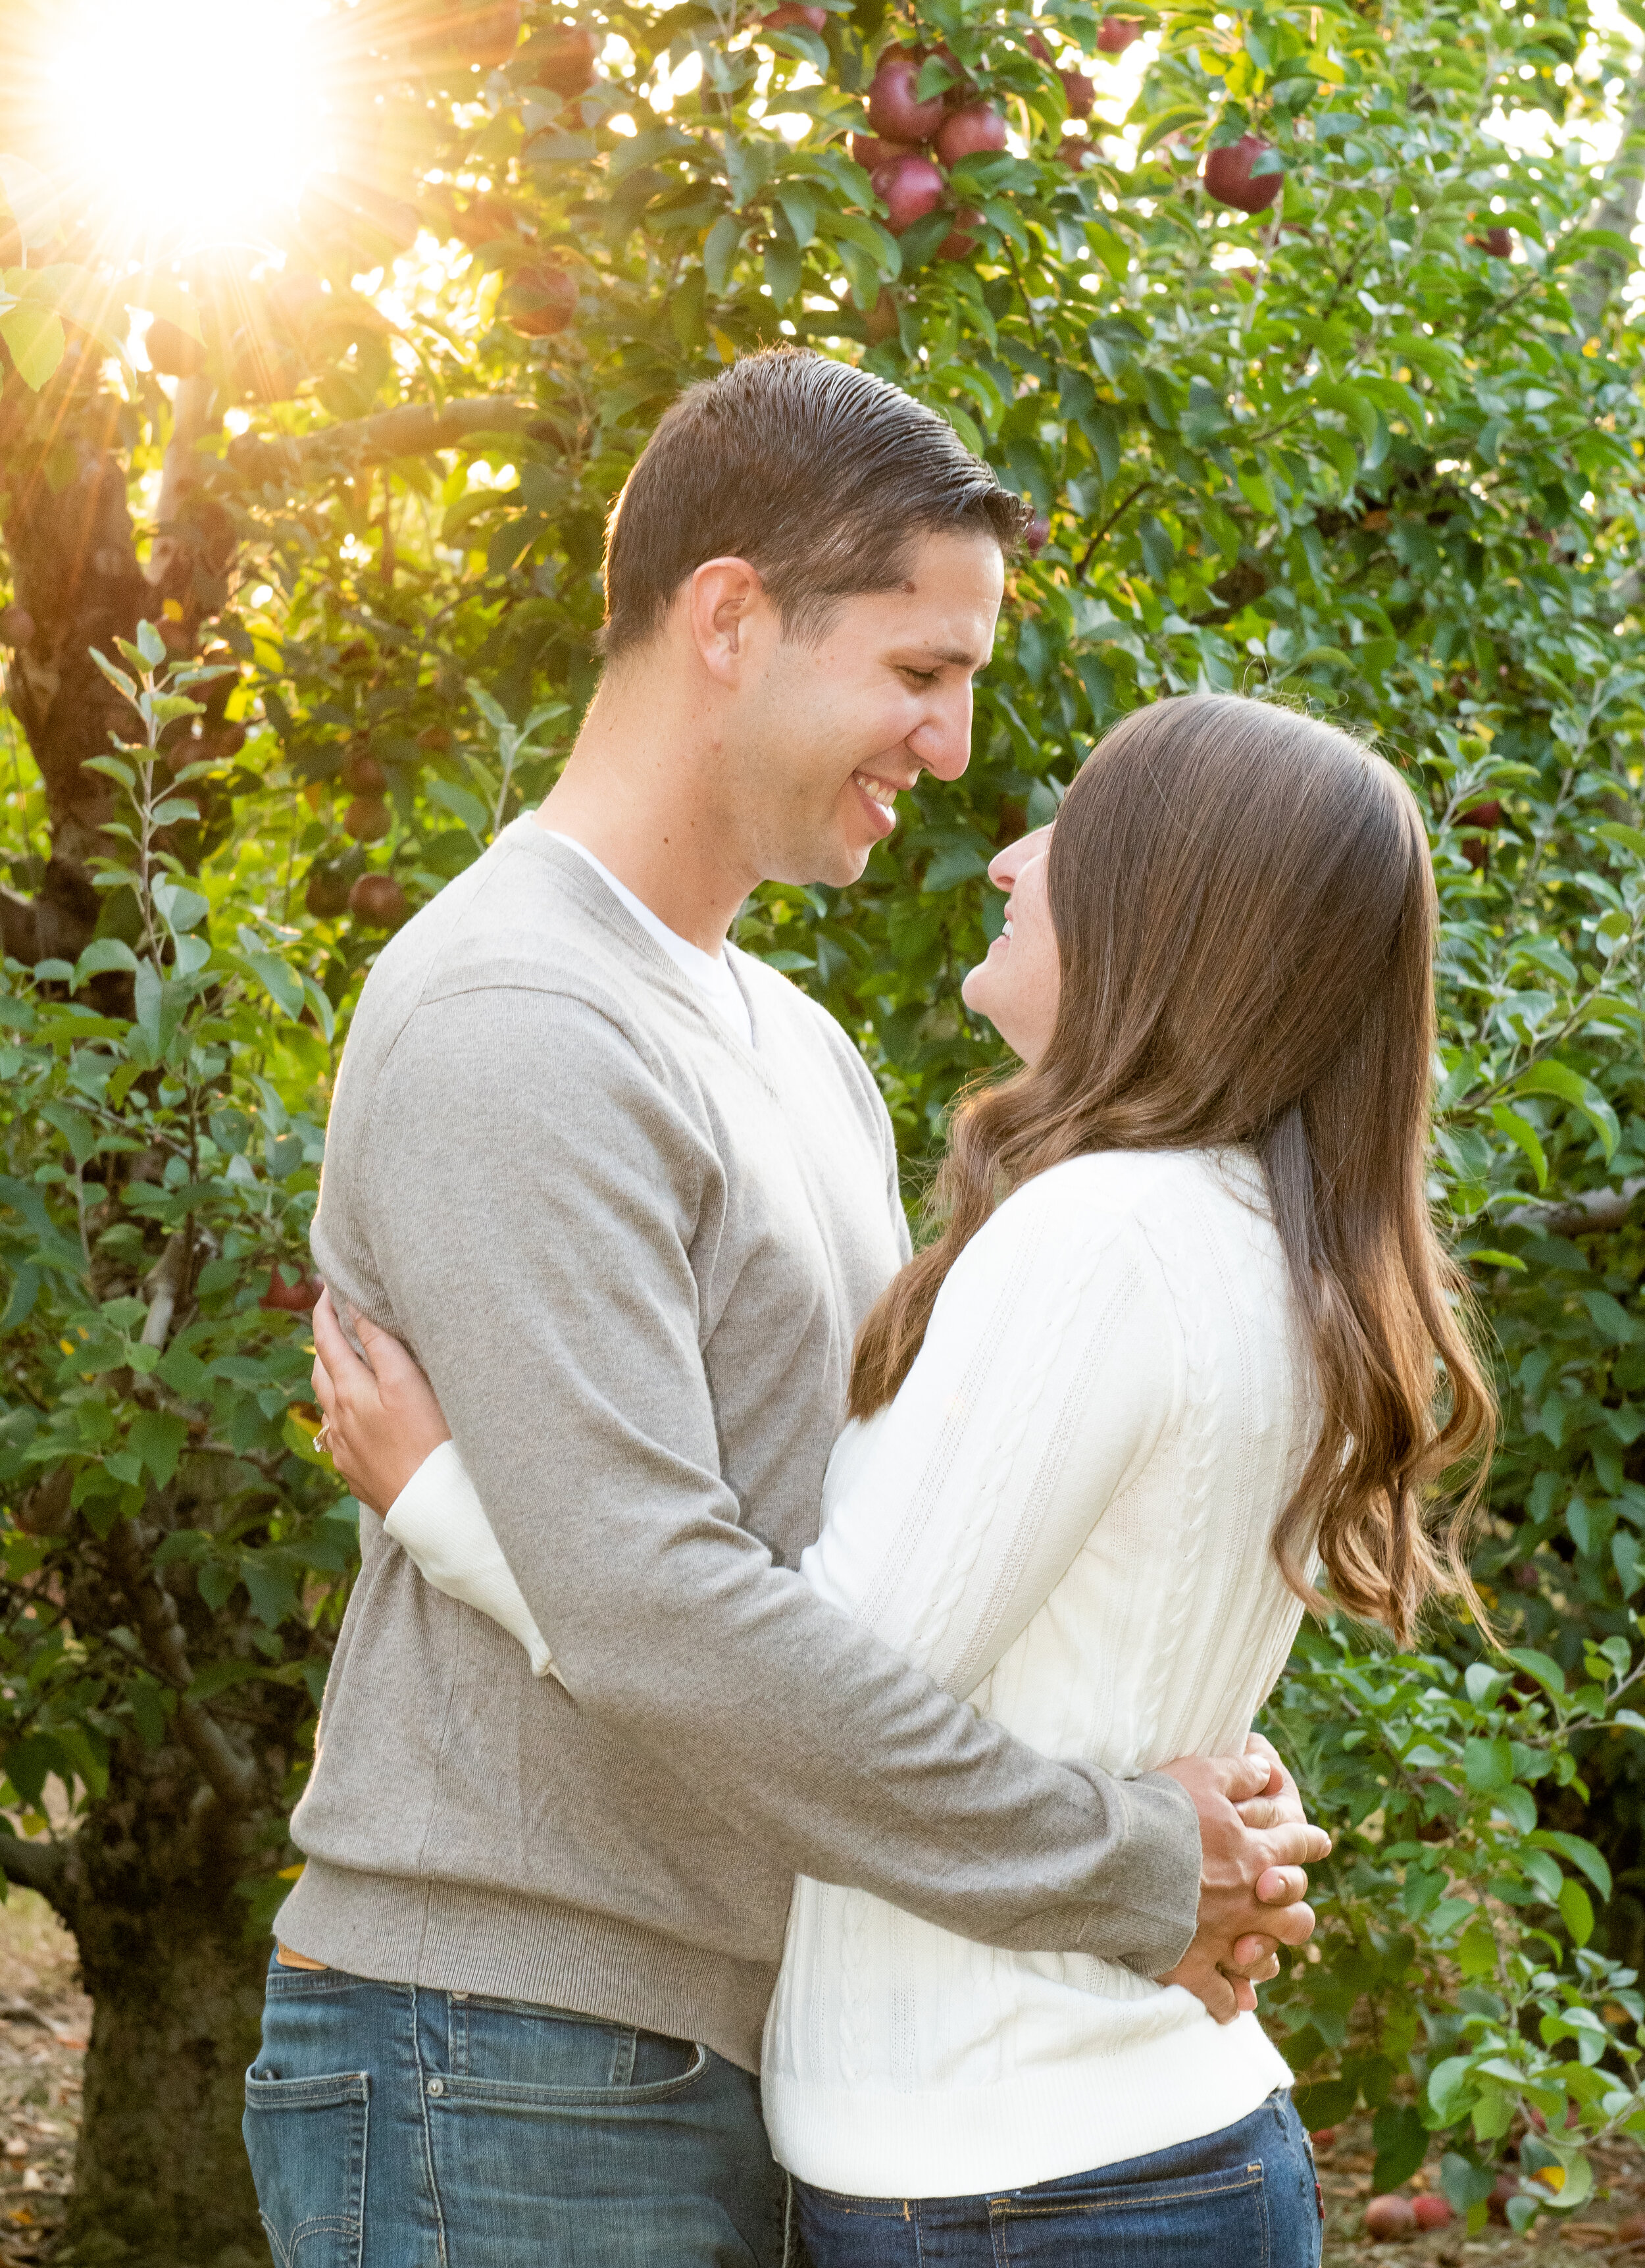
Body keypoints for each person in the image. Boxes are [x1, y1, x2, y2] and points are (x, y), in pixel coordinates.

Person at [246, 353, 1328, 2268]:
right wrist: (1126, 1858)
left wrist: (1167, 1738)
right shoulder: (519, 1019)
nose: (949, 746)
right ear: (730, 618)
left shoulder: (796, 1048)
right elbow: (655, 1603)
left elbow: (868, 1553)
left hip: (733, 2042)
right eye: (920, 673)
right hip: (514, 2050)